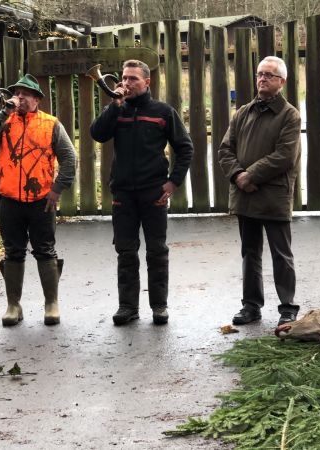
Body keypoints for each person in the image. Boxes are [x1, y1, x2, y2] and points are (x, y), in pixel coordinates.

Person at [90, 60, 193, 326]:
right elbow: (97, 134)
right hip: (122, 193)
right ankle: (127, 307)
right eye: (124, 78)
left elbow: (185, 148)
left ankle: (159, 306)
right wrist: (114, 106)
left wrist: (173, 182)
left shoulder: (163, 111)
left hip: (153, 192)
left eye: (133, 79)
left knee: (157, 251)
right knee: (125, 251)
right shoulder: (116, 110)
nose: (126, 83)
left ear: (147, 82)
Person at [0, 74, 76, 327]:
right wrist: (2, 113)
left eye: (25, 94)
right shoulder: (4, 121)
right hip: (9, 198)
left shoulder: (51, 124)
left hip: (41, 200)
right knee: (13, 251)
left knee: (45, 250)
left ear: (36, 99)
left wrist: (56, 189)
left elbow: (69, 158)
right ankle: (13, 305)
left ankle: (51, 303)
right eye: (16, 93)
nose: (19, 98)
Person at [217, 56, 302, 327]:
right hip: (246, 195)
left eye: (269, 75)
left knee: (281, 254)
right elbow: (225, 149)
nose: (262, 79)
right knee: (250, 253)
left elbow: (285, 156)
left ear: (281, 82)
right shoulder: (243, 112)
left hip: (274, 194)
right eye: (259, 74)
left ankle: (287, 307)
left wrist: (250, 175)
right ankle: (251, 306)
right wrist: (238, 176)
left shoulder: (289, 115)